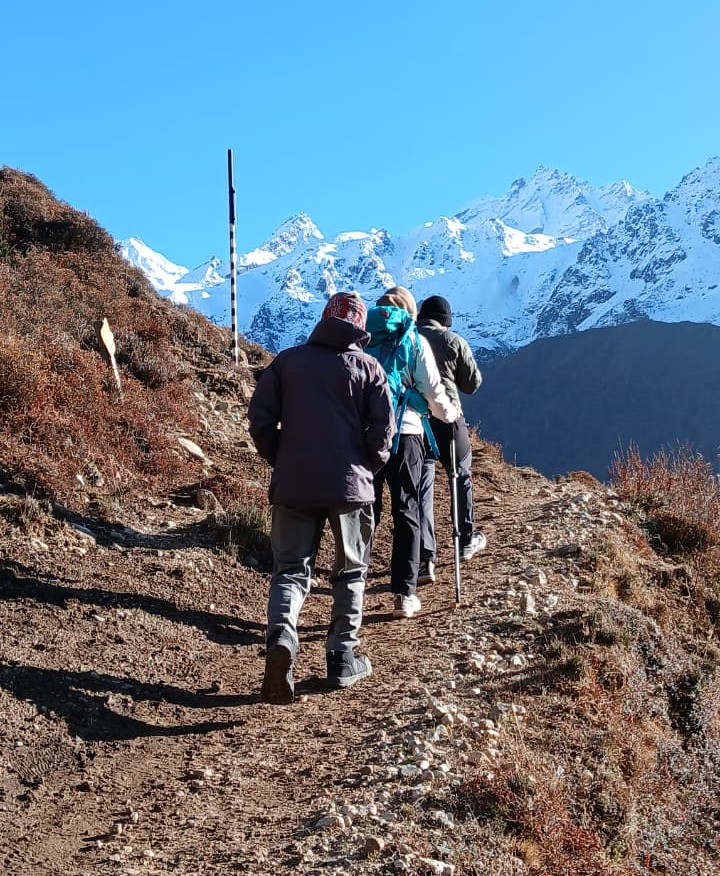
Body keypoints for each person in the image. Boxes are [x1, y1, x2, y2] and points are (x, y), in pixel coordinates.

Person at [248, 292, 395, 705]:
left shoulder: (288, 362)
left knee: (290, 570)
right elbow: (384, 432)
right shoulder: (369, 368)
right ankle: (341, 657)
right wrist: (366, 466)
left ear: (323, 320)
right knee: (350, 571)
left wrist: (282, 456)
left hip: (294, 483)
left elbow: (260, 418)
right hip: (350, 488)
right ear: (361, 328)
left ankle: (282, 638)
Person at [368, 286, 460, 620]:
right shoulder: (413, 339)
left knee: (367, 509)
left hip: (365, 437)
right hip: (406, 434)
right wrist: (449, 415)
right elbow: (433, 391)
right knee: (406, 510)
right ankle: (404, 593)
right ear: (409, 312)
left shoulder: (364, 336)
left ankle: (352, 581)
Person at [416, 295, 485, 585]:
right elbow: (473, 384)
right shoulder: (454, 341)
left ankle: (424, 558)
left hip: (416, 421)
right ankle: (465, 539)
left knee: (422, 488)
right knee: (460, 475)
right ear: (446, 320)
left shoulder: (408, 339)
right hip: (449, 418)